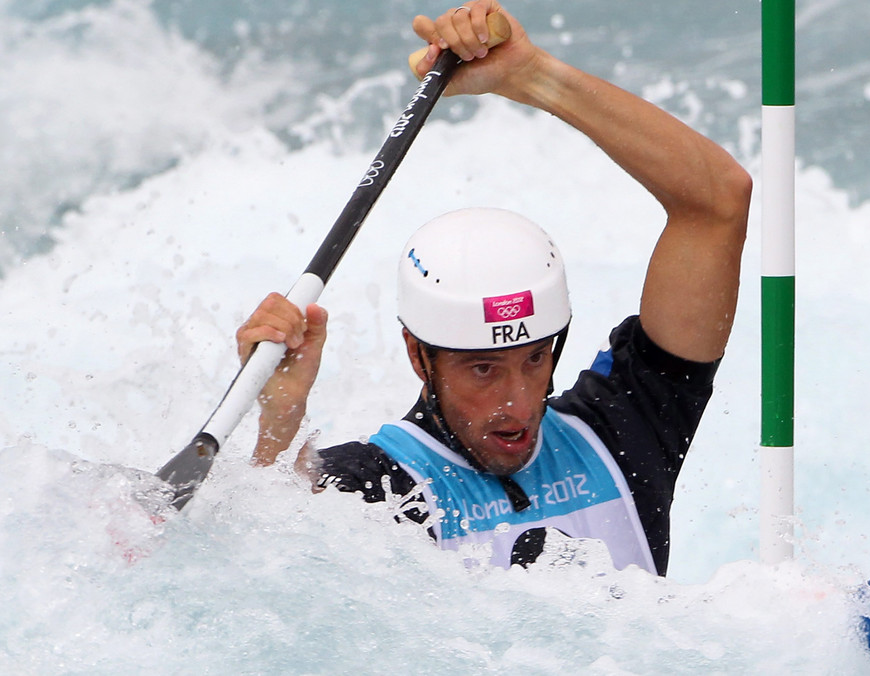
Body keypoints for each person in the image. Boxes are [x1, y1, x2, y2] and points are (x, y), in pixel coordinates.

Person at [240, 0, 751, 575]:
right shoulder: (378, 490)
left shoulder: (623, 433)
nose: (517, 403)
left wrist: (533, 76)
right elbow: (262, 558)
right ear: (418, 354)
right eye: (483, 369)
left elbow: (716, 202)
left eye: (534, 359)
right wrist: (281, 418)